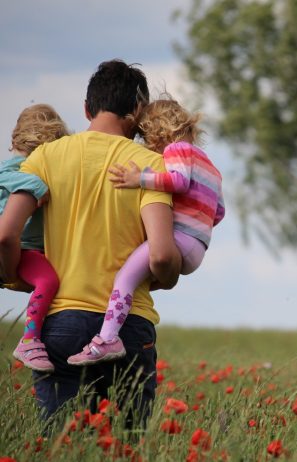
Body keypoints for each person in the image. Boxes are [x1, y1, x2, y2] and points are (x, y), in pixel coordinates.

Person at [0, 59, 181, 426]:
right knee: (124, 448)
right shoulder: (150, 166)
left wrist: (12, 276)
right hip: (128, 326)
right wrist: (168, 276)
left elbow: (6, 234)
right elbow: (161, 254)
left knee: (62, 444)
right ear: (137, 111)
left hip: (61, 324)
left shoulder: (44, 158)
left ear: (86, 109)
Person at [68, 95, 225, 366]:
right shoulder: (211, 166)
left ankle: (107, 339)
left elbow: (177, 181)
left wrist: (138, 179)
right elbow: (219, 212)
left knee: (124, 278)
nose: (146, 144)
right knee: (137, 279)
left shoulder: (177, 150)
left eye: (145, 136)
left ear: (158, 131)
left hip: (178, 239)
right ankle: (115, 324)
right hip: (198, 246)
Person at [0, 104, 68, 372]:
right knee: (48, 280)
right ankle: (29, 339)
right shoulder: (20, 168)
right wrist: (39, 186)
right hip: (22, 248)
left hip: (25, 249)